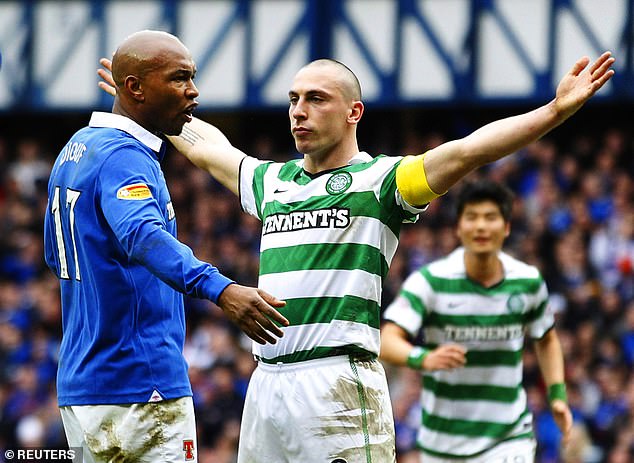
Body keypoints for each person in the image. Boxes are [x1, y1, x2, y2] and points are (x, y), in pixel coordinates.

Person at [98, 48, 613, 463]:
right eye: (294, 99)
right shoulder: (271, 181)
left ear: (353, 112)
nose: (299, 110)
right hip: (267, 385)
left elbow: (468, 150)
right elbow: (209, 145)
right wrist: (140, 103)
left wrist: (552, 111)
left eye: (316, 99)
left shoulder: (382, 181)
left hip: (339, 383)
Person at [44, 30, 288, 463]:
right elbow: (141, 234)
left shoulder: (76, 151)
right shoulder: (126, 155)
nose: (193, 92)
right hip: (141, 387)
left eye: (192, 78)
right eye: (179, 79)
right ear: (135, 88)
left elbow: (53, 254)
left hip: (82, 389)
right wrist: (222, 289)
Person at [380, 180, 573, 462]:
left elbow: (546, 338)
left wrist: (557, 394)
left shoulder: (527, 282)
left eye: (490, 217)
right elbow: (386, 340)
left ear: (506, 227)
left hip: (508, 437)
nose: (481, 226)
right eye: (472, 217)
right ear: (459, 228)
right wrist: (424, 358)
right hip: (443, 443)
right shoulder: (431, 281)